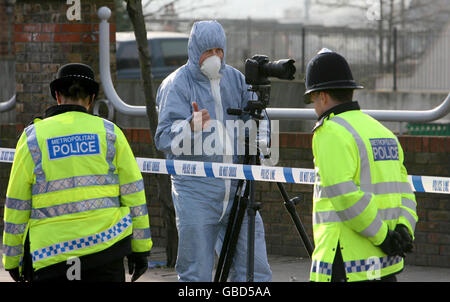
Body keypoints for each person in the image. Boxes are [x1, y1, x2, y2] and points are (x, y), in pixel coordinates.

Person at [2, 63, 152, 282]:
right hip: (106, 251)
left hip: (51, 257)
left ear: (57, 96)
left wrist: (12, 259)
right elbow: (134, 195)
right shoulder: (111, 134)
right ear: (91, 99)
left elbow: (17, 203)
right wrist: (140, 249)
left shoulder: (32, 138)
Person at [155, 20, 272, 282]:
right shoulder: (177, 85)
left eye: (219, 50)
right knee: (196, 273)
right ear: (195, 50)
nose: (215, 57)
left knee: (253, 271)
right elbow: (163, 139)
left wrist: (261, 145)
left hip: (237, 191)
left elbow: (258, 119)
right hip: (196, 194)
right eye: (208, 51)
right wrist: (189, 127)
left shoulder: (235, 79)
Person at [304, 49, 418, 282]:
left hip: (346, 263)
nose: (314, 107)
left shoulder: (330, 131)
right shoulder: (383, 132)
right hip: (386, 265)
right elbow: (405, 190)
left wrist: (383, 237)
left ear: (322, 96)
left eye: (313, 99)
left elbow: (345, 196)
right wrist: (404, 231)